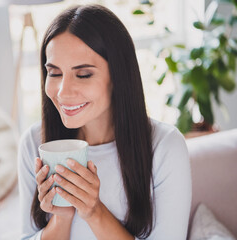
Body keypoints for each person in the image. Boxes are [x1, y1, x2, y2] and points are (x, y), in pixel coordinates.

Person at [18, 4, 191, 240]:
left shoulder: (165, 147)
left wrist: (94, 211)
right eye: (55, 73)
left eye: (83, 74)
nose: (63, 92)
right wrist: (61, 217)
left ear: (118, 76)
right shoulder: (34, 142)